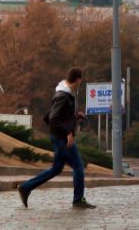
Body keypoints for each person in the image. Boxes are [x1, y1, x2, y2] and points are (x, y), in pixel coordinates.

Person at [18, 67, 95, 209]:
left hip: (60, 137)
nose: (81, 83)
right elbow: (53, 118)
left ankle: (26, 187)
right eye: (81, 80)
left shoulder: (66, 93)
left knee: (56, 169)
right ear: (78, 79)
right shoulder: (63, 95)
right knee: (78, 166)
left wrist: (75, 116)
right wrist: (68, 133)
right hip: (61, 139)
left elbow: (58, 115)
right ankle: (78, 200)